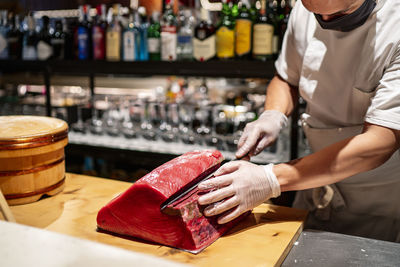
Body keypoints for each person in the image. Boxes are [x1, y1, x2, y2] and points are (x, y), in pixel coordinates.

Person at [198, 0, 400, 242]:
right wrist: (273, 114)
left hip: (374, 199)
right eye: (315, 14)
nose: (323, 22)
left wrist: (269, 179)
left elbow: (380, 142)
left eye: (338, 15)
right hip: (310, 179)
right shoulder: (304, 10)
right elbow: (286, 77)